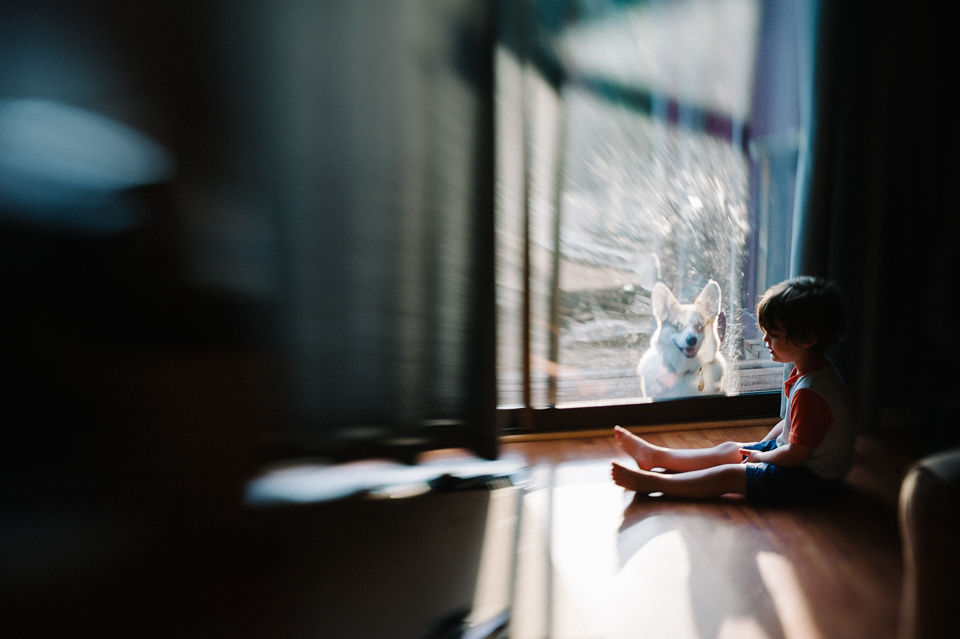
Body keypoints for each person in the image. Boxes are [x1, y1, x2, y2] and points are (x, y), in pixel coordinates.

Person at [611, 276, 853, 504]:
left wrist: (761, 457)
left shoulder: (811, 391)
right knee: (731, 450)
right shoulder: (811, 370)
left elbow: (796, 455)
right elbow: (790, 425)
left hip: (812, 481)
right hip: (796, 459)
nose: (765, 339)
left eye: (774, 334)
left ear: (809, 338)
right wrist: (761, 446)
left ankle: (653, 483)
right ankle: (655, 456)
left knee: (728, 475)